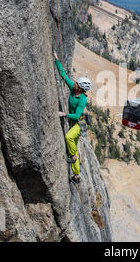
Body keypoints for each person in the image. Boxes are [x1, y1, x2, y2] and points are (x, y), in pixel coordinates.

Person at [53, 51, 92, 183]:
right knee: (72, 146)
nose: (74, 83)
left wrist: (64, 114)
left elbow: (76, 114)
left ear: (80, 89)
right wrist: (57, 59)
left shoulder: (82, 99)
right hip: (73, 122)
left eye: (76, 83)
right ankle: (76, 176)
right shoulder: (73, 88)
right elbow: (63, 75)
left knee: (69, 137)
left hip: (79, 124)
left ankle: (74, 158)